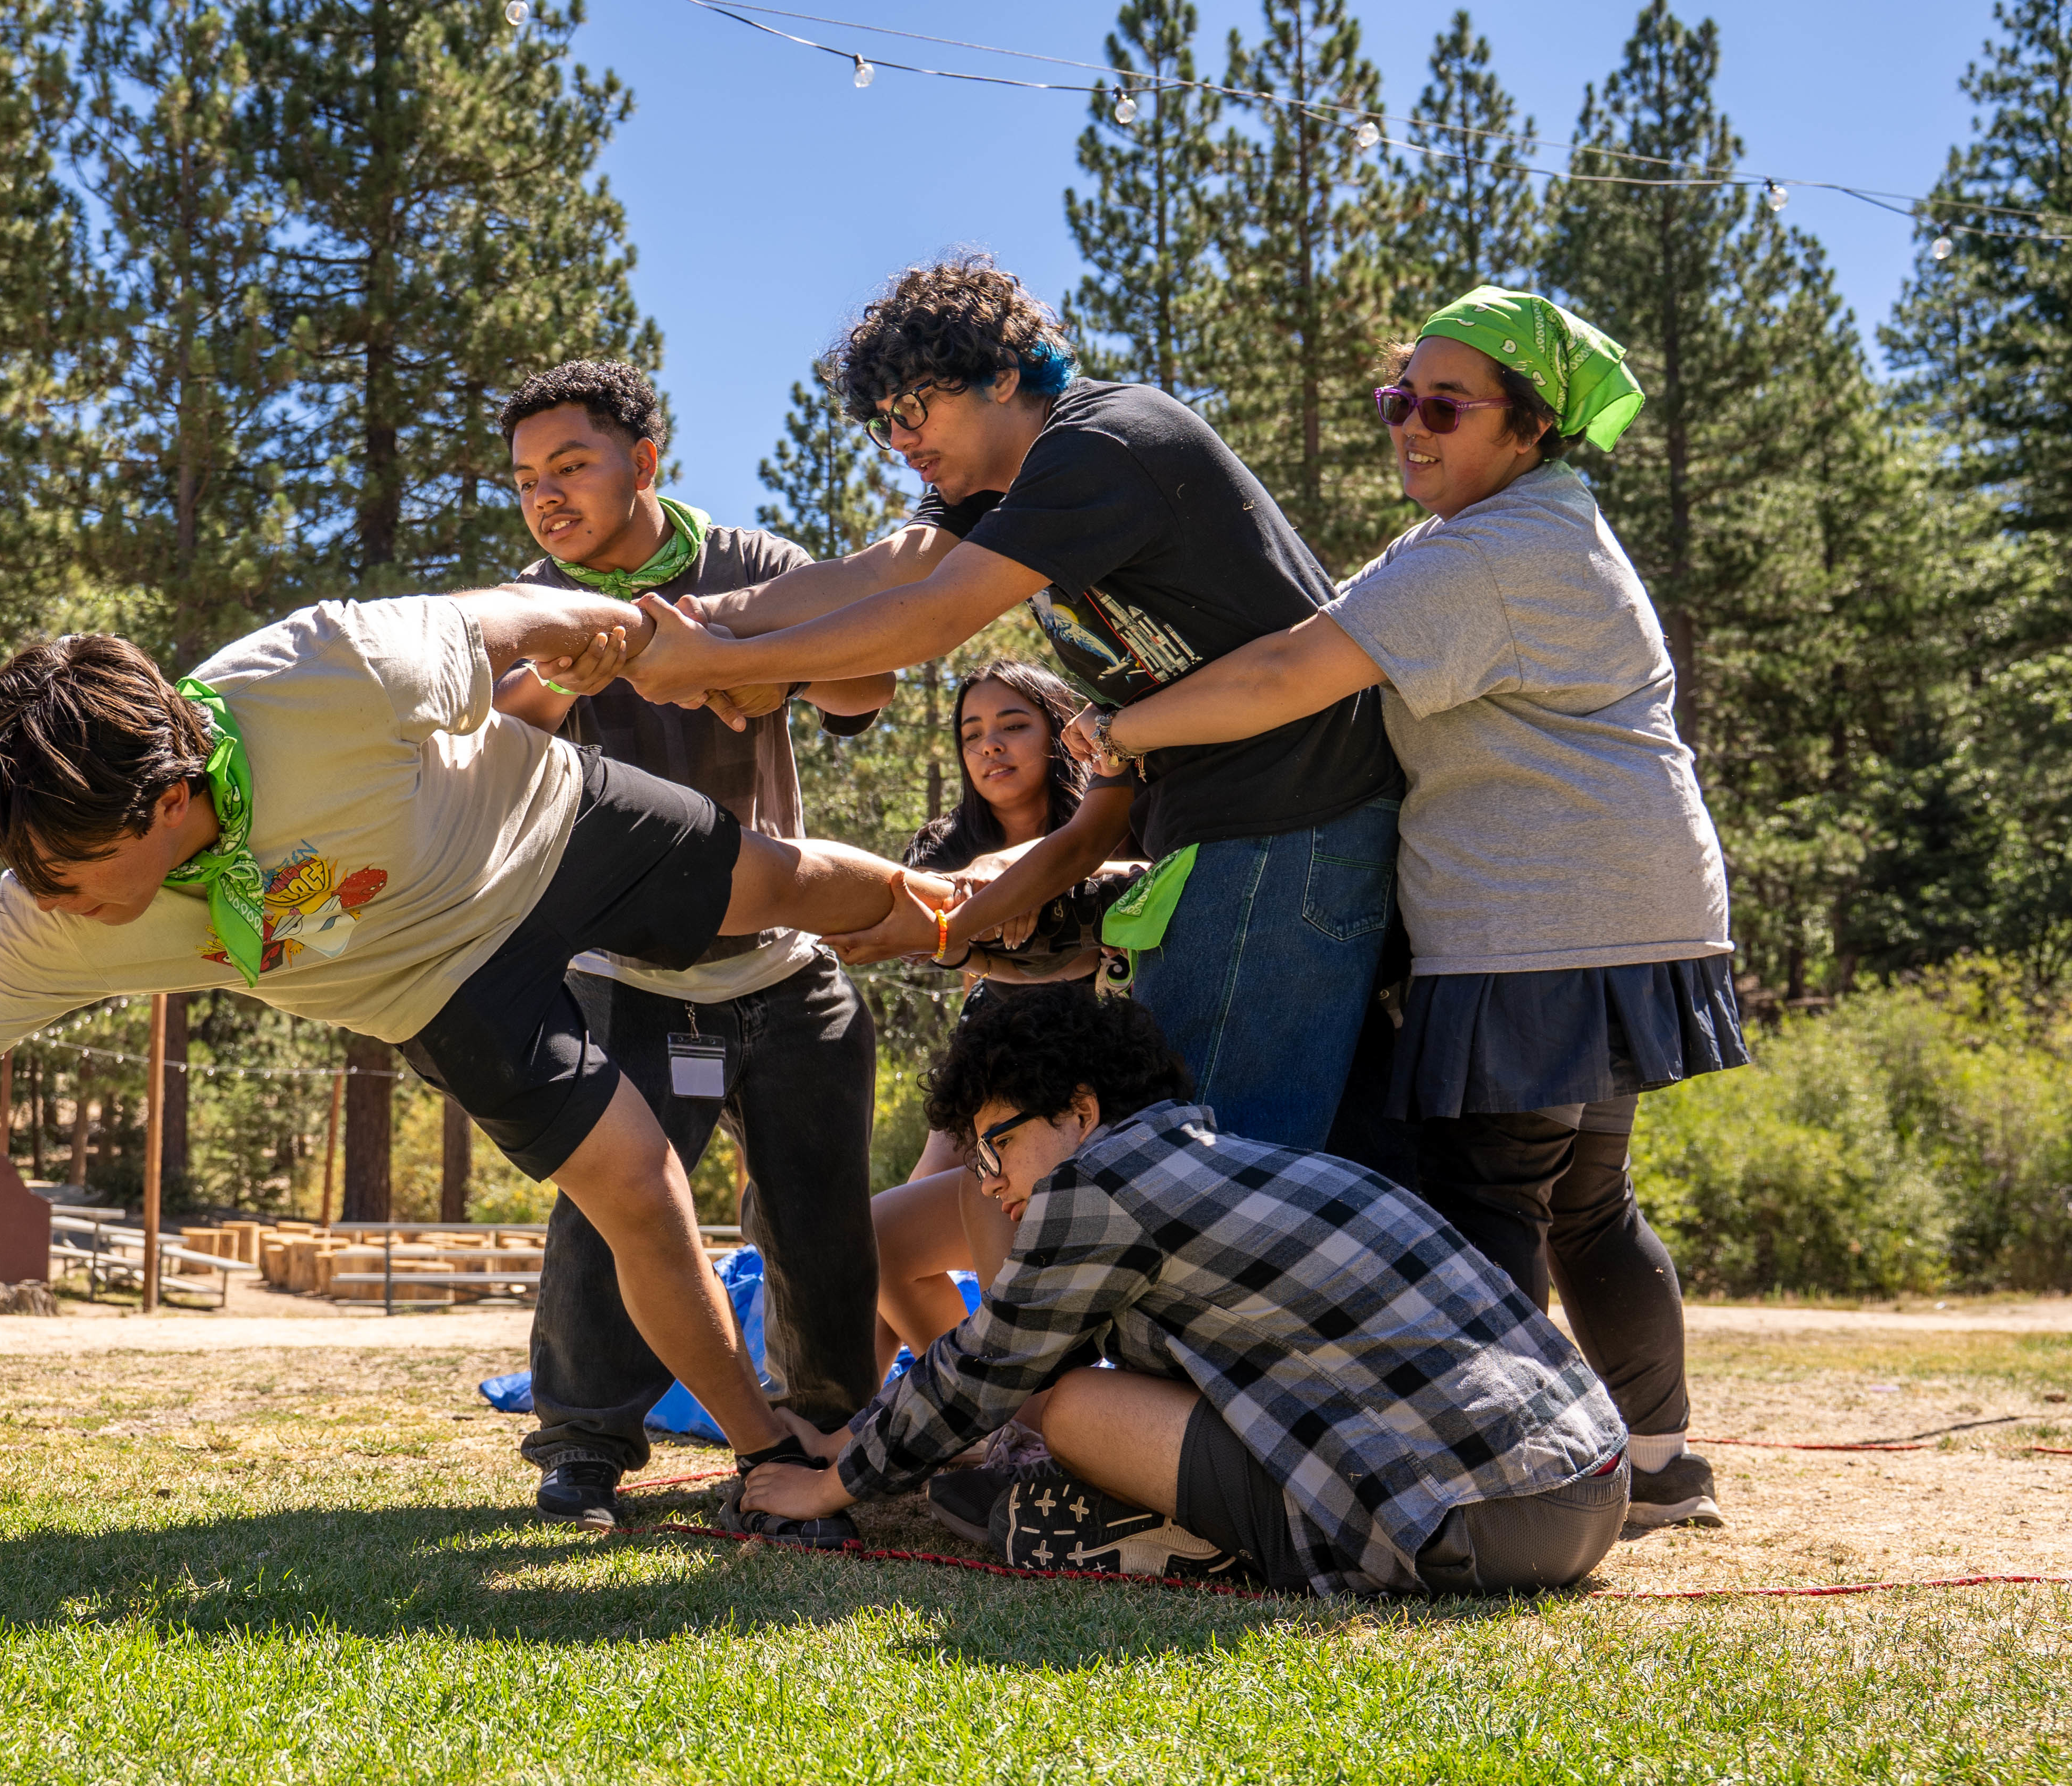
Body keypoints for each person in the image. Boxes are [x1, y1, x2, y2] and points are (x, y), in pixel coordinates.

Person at [0, 585, 963, 1544]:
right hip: (436, 979)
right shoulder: (43, 921)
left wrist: (601, 630)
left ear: (174, 794)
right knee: (634, 1182)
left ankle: (973, 901)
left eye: (68, 869)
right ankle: (773, 1461)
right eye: (28, 876)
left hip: (544, 825)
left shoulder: (316, 674)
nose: (48, 904)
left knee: (799, 890)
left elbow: (507, 622)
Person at [1062, 287, 1745, 1529]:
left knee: (1486, 1193)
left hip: (1540, 921)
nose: (1410, 427)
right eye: (1398, 399)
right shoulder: (1538, 525)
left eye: (1445, 406)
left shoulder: (1488, 556)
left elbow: (1289, 672)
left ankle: (1507, 1475)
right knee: (1590, 1198)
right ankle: (1658, 1464)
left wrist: (1122, 728)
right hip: (1636, 910)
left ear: (1531, 427)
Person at [621, 253, 1403, 1152]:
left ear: (1003, 371)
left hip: (1290, 825)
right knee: (1211, 1161)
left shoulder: (1100, 443)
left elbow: (932, 614)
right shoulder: (1002, 492)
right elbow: (884, 571)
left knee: (1215, 1169)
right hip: (1232, 834)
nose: (900, 437)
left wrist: (722, 663)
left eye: (914, 405)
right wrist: (690, 629)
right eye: (882, 424)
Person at [740, 984, 1630, 1596]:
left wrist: (834, 1486)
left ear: (1079, 1114)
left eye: (996, 1144)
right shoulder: (1200, 1162)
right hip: (1591, 1482)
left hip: (1487, 1521)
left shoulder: (1101, 1187)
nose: (989, 1180)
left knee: (1075, 1406)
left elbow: (993, 1363)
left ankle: (1187, 1547)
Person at [486, 361, 901, 1533]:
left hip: (782, 955)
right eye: (527, 479)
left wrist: (719, 647)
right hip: (622, 972)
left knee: (821, 1218)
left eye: (572, 466)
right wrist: (567, 673)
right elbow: (486, 758)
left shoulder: (754, 565)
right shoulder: (528, 597)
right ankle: (582, 1443)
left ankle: (826, 1437)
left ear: (646, 464)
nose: (548, 497)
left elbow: (864, 678)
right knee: (613, 1208)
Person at [868, 660, 1126, 1375]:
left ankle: (985, 1407)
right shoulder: (943, 850)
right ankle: (865, 1411)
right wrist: (995, 893)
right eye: (972, 733)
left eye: (1014, 725)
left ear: (1058, 733)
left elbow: (1083, 947)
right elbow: (950, 944)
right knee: (886, 1231)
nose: (990, 747)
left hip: (1084, 1069)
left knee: (930, 1232)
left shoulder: (1114, 825)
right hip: (990, 1052)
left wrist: (1023, 883)